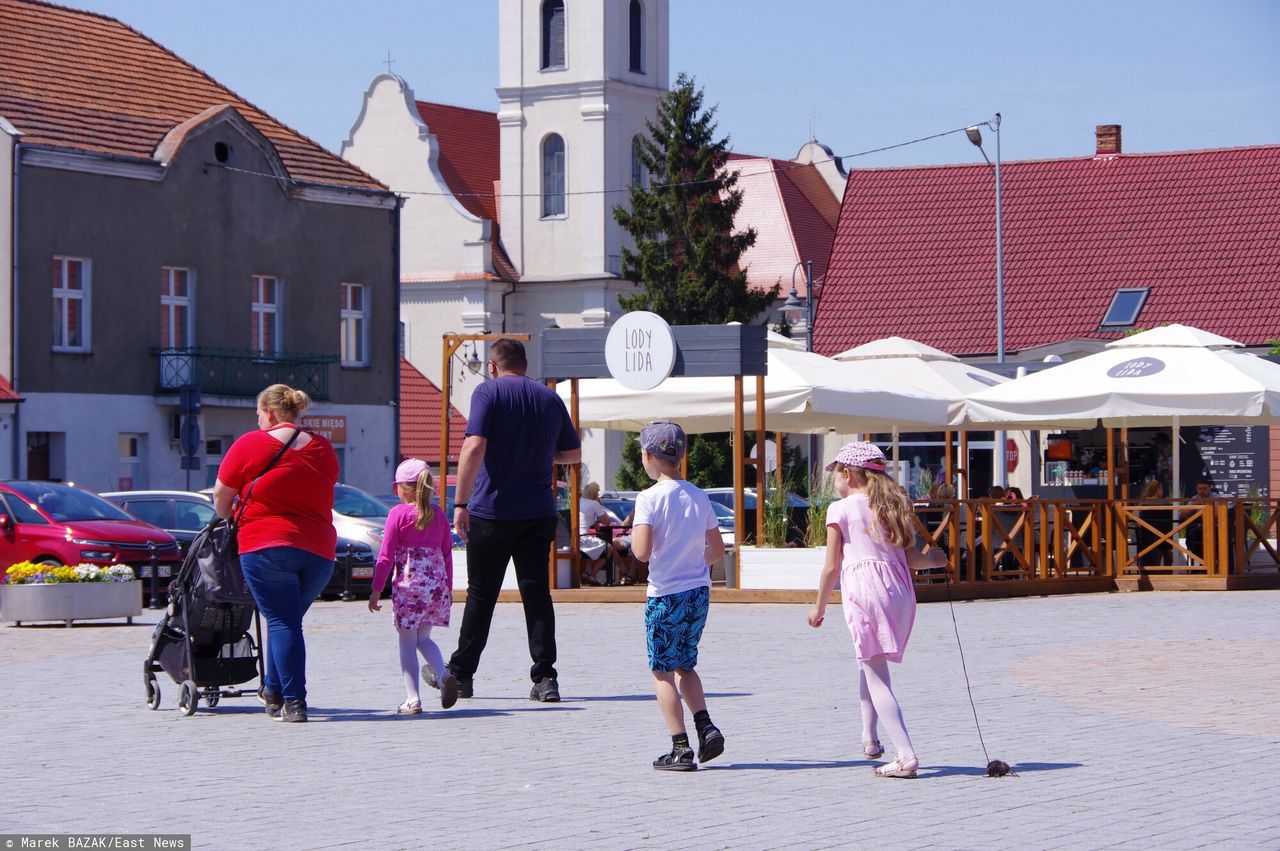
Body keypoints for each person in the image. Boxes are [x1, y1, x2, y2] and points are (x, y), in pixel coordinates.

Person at [448, 338, 582, 702]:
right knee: (536, 592)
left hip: (493, 511)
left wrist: (460, 503)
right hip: (538, 511)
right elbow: (572, 453)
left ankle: (461, 674)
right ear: (525, 364)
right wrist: (537, 454)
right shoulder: (550, 397)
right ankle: (545, 678)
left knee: (481, 593)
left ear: (492, 366)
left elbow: (474, 446)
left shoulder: (487, 393)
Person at [807, 441, 945, 779]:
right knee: (868, 662)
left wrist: (819, 607)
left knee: (876, 674)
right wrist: (934, 560)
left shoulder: (840, 510)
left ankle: (905, 754)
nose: (835, 482)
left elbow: (830, 567)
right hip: (898, 590)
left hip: (865, 590)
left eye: (837, 475)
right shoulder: (891, 504)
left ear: (850, 474)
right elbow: (911, 557)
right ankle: (870, 738)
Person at [212, 384, 338, 723]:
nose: (257, 422)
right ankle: (273, 690)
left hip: (267, 546)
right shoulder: (324, 448)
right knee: (286, 621)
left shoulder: (250, 444)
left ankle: (294, 701)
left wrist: (231, 517)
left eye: (258, 415)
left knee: (283, 621)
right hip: (318, 552)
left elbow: (221, 497)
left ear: (269, 412)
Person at [630, 421, 726, 772]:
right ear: (682, 456)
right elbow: (716, 549)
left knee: (662, 672)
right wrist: (691, 559)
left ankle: (681, 747)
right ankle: (706, 726)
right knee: (687, 664)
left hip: (665, 594)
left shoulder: (648, 498)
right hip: (697, 592)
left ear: (648, 457)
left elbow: (641, 552)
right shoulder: (699, 496)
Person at [369, 459, 457, 714]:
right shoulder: (439, 515)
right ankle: (442, 675)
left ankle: (413, 698)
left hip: (410, 588)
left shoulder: (397, 514)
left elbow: (385, 556)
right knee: (424, 638)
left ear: (405, 489)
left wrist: (376, 590)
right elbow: (448, 554)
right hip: (436, 587)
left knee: (407, 641)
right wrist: (449, 588)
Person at [577, 481, 612, 586]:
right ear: (595, 493)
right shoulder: (594, 503)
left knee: (594, 549)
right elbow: (607, 522)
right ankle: (592, 574)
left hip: (577, 538)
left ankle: (587, 573)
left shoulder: (579, 502)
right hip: (584, 538)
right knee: (609, 548)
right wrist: (599, 505)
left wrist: (595, 521)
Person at [1136, 479, 1173, 567]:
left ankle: (1150, 568)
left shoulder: (1142, 503)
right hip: (1165, 538)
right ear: (1158, 490)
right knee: (1165, 546)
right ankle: (1167, 570)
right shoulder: (1166, 503)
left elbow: (1134, 518)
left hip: (1147, 537)